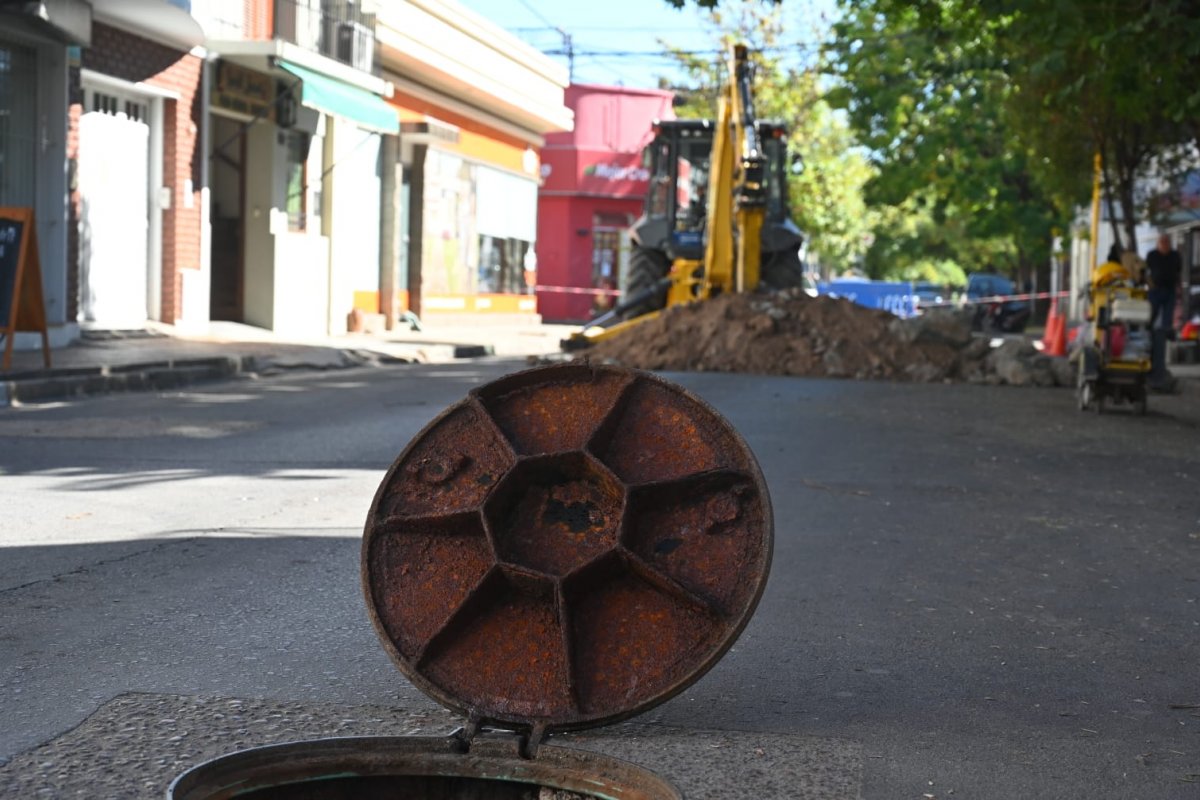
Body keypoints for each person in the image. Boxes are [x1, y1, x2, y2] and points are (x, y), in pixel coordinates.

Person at [1145, 233, 1182, 383]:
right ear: (1158, 243)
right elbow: (1146, 270)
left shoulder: (1175, 255)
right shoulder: (1152, 255)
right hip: (1155, 289)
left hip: (1169, 289)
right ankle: (1149, 331)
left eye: (1167, 242)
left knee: (1167, 319)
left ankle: (1165, 333)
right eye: (1162, 242)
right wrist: (1149, 283)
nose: (1165, 244)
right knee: (1151, 315)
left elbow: (1178, 270)